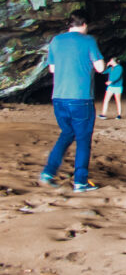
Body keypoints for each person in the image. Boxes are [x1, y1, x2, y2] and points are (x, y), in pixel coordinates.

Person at [39, 11, 105, 193]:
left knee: (67, 133)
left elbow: (52, 69)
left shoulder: (56, 41)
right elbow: (100, 67)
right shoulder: (88, 40)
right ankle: (80, 182)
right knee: (83, 140)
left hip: (59, 97)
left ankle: (48, 172)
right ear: (84, 24)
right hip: (80, 98)